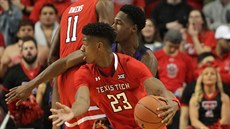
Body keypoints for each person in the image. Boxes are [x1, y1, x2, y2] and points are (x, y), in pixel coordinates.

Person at [49, 22, 180, 129]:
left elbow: (159, 90)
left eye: (85, 44)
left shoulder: (130, 65)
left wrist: (173, 102)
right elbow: (82, 101)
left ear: (98, 46)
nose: (82, 49)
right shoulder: (84, 73)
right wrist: (73, 112)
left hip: (149, 123)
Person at [2, 36, 46, 129]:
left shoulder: (45, 72)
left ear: (37, 51)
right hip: (18, 120)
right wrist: (14, 113)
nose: (29, 51)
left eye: (31, 48)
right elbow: (3, 96)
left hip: (41, 121)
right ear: (21, 53)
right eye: (25, 48)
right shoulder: (12, 72)